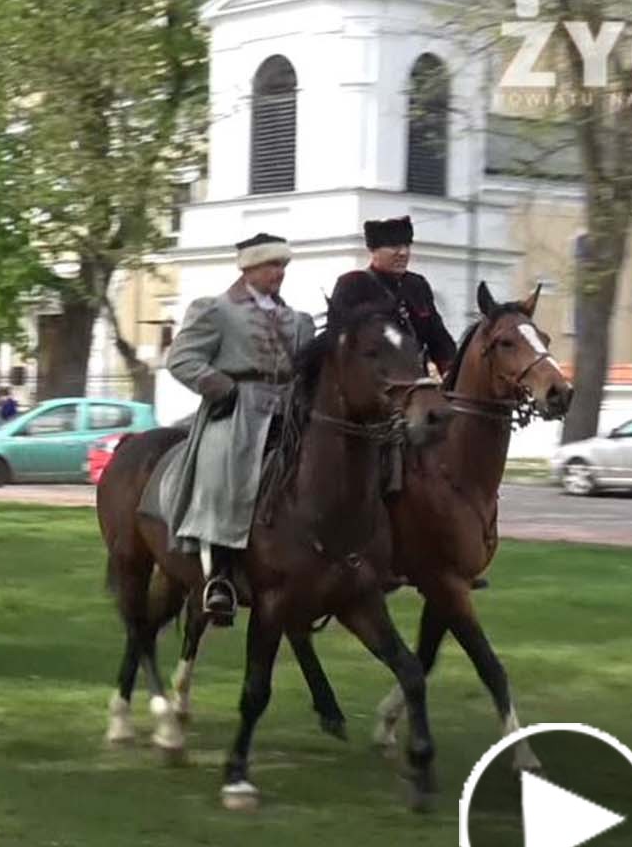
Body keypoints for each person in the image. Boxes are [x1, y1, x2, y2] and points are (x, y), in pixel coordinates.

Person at [159, 231, 314, 626]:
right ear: (249, 268)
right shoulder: (216, 310)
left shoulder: (297, 320)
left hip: (288, 411)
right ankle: (220, 576)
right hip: (236, 411)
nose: (279, 272)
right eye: (272, 264)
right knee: (222, 473)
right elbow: (181, 359)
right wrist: (220, 386)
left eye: (283, 265)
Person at [330, 216, 457, 377]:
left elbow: (438, 338)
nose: (403, 253)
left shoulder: (417, 285)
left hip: (415, 379)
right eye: (394, 246)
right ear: (374, 250)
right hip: (374, 381)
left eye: (406, 245)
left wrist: (450, 372)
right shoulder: (352, 284)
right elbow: (338, 342)